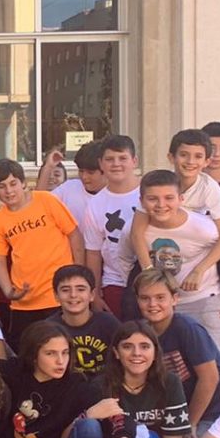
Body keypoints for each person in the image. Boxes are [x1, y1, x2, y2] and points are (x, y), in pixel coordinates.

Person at [86, 321, 213, 438]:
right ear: (116, 353)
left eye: (145, 346)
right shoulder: (101, 386)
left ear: (155, 352)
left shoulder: (169, 381)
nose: (136, 353)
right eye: (127, 347)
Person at [132, 169, 220, 357]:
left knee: (215, 358)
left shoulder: (204, 228)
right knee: (164, 360)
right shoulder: (135, 230)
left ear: (181, 199)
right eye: (153, 199)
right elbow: (123, 260)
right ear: (142, 201)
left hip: (203, 300)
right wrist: (147, 277)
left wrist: (201, 272)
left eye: (169, 198)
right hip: (159, 306)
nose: (161, 205)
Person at [132, 268, 220, 431]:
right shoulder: (141, 332)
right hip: (187, 409)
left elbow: (209, 378)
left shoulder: (187, 328)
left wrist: (190, 424)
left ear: (174, 299)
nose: (152, 304)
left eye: (160, 297)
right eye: (145, 298)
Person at [0, 159, 85, 341]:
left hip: (59, 295)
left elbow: (74, 235)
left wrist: (79, 275)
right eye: (2, 186)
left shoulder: (46, 200)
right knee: (28, 352)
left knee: (63, 348)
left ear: (23, 183)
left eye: (13, 183)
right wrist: (8, 291)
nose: (9, 191)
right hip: (24, 301)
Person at [81, 135, 141, 316]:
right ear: (101, 163)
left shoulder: (150, 192)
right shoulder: (95, 204)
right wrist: (95, 294)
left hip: (151, 279)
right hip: (115, 282)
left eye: (122, 158)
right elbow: (93, 252)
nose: (116, 164)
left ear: (134, 161)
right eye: (109, 159)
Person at [50, 264, 120, 379]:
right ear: (56, 296)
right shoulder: (49, 328)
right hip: (64, 387)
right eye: (65, 290)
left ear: (92, 295)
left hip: (105, 385)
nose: (73, 295)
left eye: (80, 289)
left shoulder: (108, 324)